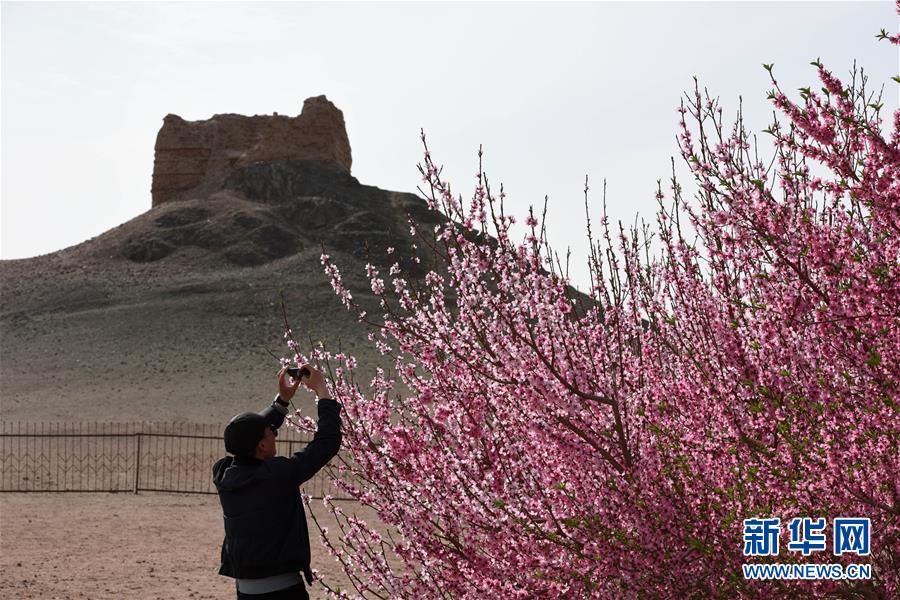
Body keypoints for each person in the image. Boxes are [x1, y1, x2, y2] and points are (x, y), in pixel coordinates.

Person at [213, 364, 342, 599]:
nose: (275, 433)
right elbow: (327, 443)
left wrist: (282, 402)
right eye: (270, 432)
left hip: (245, 592)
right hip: (283, 593)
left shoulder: (223, 473)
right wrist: (322, 391)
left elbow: (243, 436)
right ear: (262, 445)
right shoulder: (276, 475)